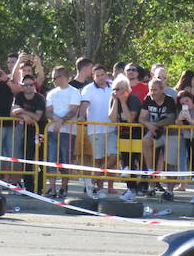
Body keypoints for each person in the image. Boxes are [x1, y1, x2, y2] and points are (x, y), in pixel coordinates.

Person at [79, 65, 116, 198]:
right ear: (93, 76)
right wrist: (81, 116)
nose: (100, 77)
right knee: (99, 159)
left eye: (102, 74)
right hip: (95, 129)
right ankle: (99, 189)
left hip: (112, 128)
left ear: (106, 74)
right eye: (97, 75)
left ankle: (92, 181)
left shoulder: (113, 86)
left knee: (114, 156)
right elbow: (84, 105)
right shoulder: (88, 89)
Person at [44, 66, 81, 199]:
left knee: (66, 159)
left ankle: (64, 187)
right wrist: (56, 120)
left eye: (55, 77)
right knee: (51, 158)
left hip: (68, 131)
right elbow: (48, 111)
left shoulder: (74, 92)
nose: (53, 80)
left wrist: (61, 122)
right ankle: (52, 188)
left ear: (63, 77)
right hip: (52, 130)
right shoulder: (51, 93)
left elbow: (73, 111)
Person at [139, 78, 178, 200]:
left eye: (155, 90)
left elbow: (171, 119)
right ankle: (151, 176)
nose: (152, 92)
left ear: (162, 90)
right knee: (146, 141)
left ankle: (170, 191)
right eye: (151, 89)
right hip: (154, 131)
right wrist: (148, 125)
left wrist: (154, 124)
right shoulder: (148, 99)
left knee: (170, 162)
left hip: (170, 133)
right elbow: (141, 118)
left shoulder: (169, 100)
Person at [0, 58, 21, 190]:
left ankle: (9, 182)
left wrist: (5, 78)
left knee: (11, 154)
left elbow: (18, 90)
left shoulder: (7, 83)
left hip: (10, 124)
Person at [108, 74, 142, 200]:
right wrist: (116, 101)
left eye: (118, 89)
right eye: (114, 89)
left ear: (126, 89)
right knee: (125, 162)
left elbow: (130, 119)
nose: (115, 92)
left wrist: (123, 102)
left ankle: (136, 188)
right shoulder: (114, 99)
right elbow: (112, 118)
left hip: (136, 134)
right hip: (122, 135)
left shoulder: (133, 99)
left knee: (133, 162)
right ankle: (130, 189)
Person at [10, 74, 45, 192]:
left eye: (31, 85)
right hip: (26, 132)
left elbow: (37, 117)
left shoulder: (39, 98)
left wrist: (22, 111)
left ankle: (40, 188)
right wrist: (24, 116)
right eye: (26, 85)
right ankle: (29, 189)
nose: (29, 87)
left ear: (34, 85)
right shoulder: (19, 96)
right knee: (27, 159)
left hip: (40, 131)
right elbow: (12, 112)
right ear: (22, 86)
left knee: (41, 159)